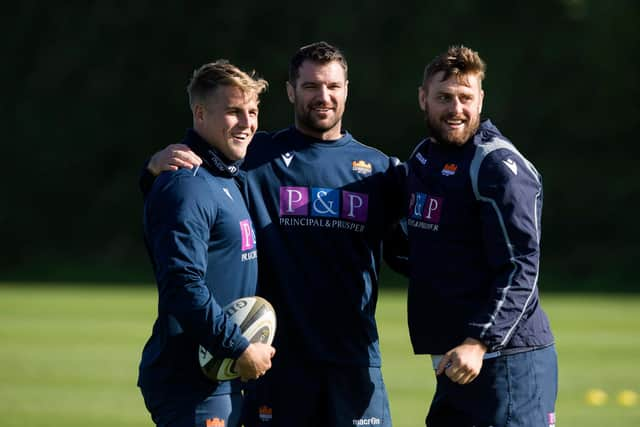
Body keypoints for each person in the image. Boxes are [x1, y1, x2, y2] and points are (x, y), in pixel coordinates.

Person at [143, 42, 405, 427]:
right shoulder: (252, 156)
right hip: (275, 365)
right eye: (312, 86)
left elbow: (414, 251)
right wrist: (151, 171)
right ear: (291, 90)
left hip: (353, 363)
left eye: (333, 86)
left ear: (347, 89)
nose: (324, 96)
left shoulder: (381, 170)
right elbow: (187, 193)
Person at [403, 45, 557, 426]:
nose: (456, 109)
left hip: (505, 362)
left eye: (465, 97)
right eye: (444, 98)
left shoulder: (497, 167)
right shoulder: (424, 157)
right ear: (423, 98)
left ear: (481, 99)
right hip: (457, 362)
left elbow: (521, 265)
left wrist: (480, 341)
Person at [138, 60, 275, 427]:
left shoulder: (227, 176)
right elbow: (182, 285)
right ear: (200, 113)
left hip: (222, 374)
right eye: (234, 111)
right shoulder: (187, 185)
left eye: (253, 111)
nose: (247, 123)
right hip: (193, 383)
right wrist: (239, 347)